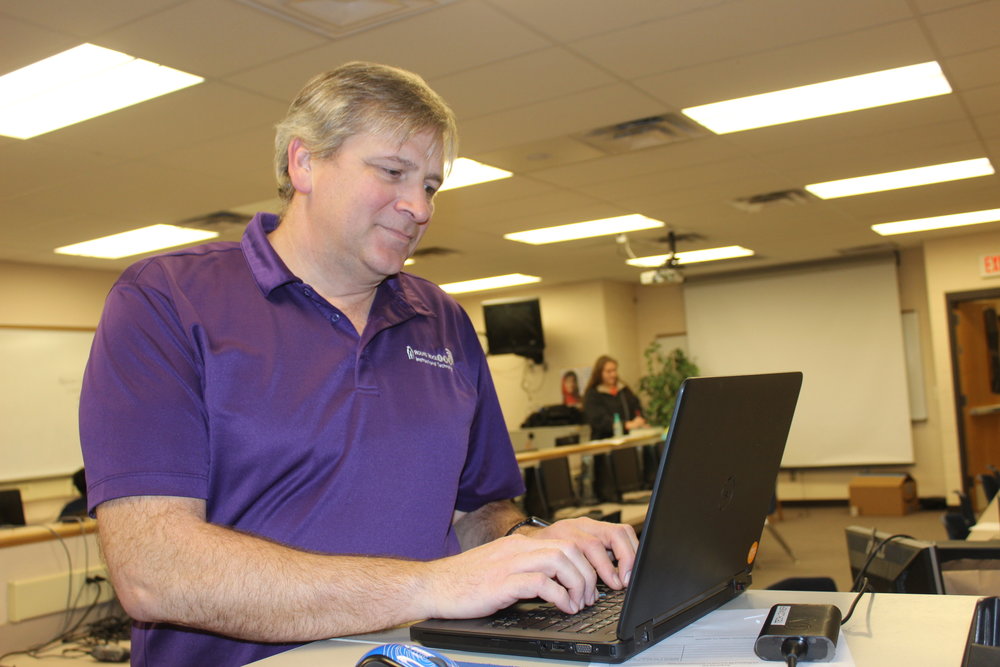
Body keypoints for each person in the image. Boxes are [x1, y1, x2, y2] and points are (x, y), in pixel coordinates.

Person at [79, 62, 638, 667]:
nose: (419, 207)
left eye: (430, 185)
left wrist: (529, 542)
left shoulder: (442, 319)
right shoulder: (165, 301)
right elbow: (155, 571)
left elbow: (479, 507)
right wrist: (435, 585)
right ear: (304, 163)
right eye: (394, 172)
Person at [582, 355, 648, 439]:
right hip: (604, 441)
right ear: (599, 373)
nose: (613, 374)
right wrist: (626, 425)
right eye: (609, 371)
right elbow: (599, 420)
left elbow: (636, 407)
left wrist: (639, 419)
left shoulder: (623, 390)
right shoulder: (593, 394)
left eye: (614, 370)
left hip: (628, 438)